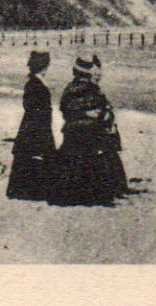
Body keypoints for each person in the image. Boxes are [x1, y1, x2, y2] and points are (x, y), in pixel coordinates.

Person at [49, 54, 127, 207]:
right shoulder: (91, 89)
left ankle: (73, 193)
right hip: (90, 133)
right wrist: (100, 115)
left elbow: (66, 109)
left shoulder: (70, 88)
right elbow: (101, 111)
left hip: (73, 133)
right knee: (93, 162)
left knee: (72, 163)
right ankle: (96, 194)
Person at [7, 50, 56, 201]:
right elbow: (34, 107)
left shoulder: (33, 83)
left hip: (32, 123)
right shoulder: (36, 84)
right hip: (37, 124)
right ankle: (35, 191)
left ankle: (28, 189)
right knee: (37, 154)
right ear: (44, 67)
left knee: (28, 156)